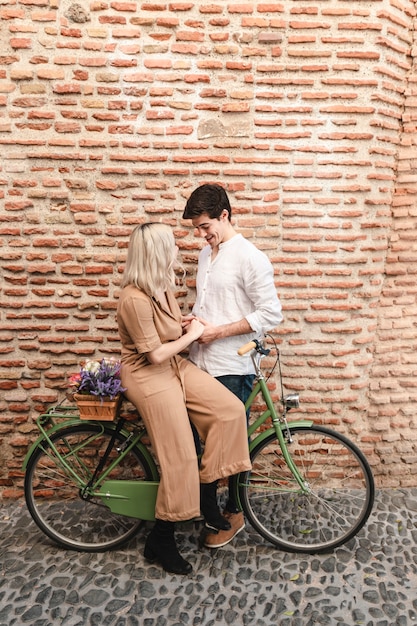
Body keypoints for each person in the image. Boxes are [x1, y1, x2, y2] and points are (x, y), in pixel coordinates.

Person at [116, 222, 251, 575]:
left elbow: (170, 331)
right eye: (171, 245)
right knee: (180, 456)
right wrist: (192, 334)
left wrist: (187, 323)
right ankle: (162, 538)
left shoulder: (161, 286)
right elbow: (155, 355)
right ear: (157, 253)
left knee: (229, 411)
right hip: (147, 374)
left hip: (173, 365)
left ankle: (207, 492)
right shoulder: (133, 297)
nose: (178, 249)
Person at [182, 183, 283, 549]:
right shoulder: (206, 254)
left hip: (231, 366)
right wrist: (190, 321)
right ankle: (204, 507)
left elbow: (271, 314)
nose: (201, 235)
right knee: (201, 445)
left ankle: (234, 514)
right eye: (196, 229)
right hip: (199, 362)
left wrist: (220, 331)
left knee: (232, 446)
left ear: (225, 215)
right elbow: (208, 305)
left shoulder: (251, 258)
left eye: (206, 226)